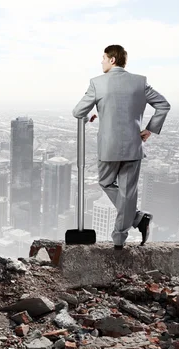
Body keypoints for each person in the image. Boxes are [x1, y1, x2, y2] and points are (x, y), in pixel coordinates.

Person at [72, 45, 171, 250]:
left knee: (106, 182)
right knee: (128, 192)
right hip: (134, 146)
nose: (101, 62)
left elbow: (78, 111)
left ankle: (136, 220)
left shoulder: (97, 83)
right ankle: (123, 235)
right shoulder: (140, 82)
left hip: (109, 147)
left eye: (103, 58)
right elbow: (163, 105)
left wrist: (90, 115)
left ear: (112, 60)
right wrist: (150, 129)